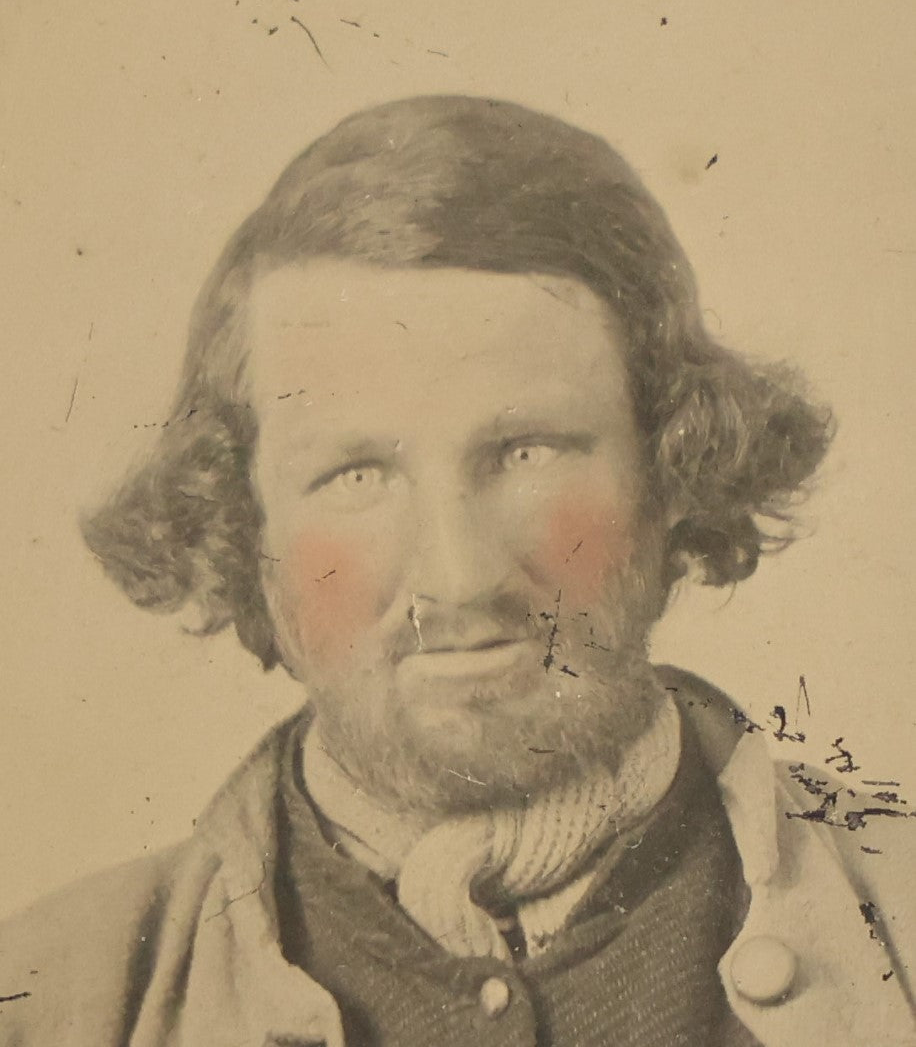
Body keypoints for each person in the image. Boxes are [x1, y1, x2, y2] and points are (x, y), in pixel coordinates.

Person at [0, 96, 912, 1047]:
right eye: (357, 475)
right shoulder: (45, 999)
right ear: (240, 530)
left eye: (528, 452)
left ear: (672, 474)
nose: (460, 577)